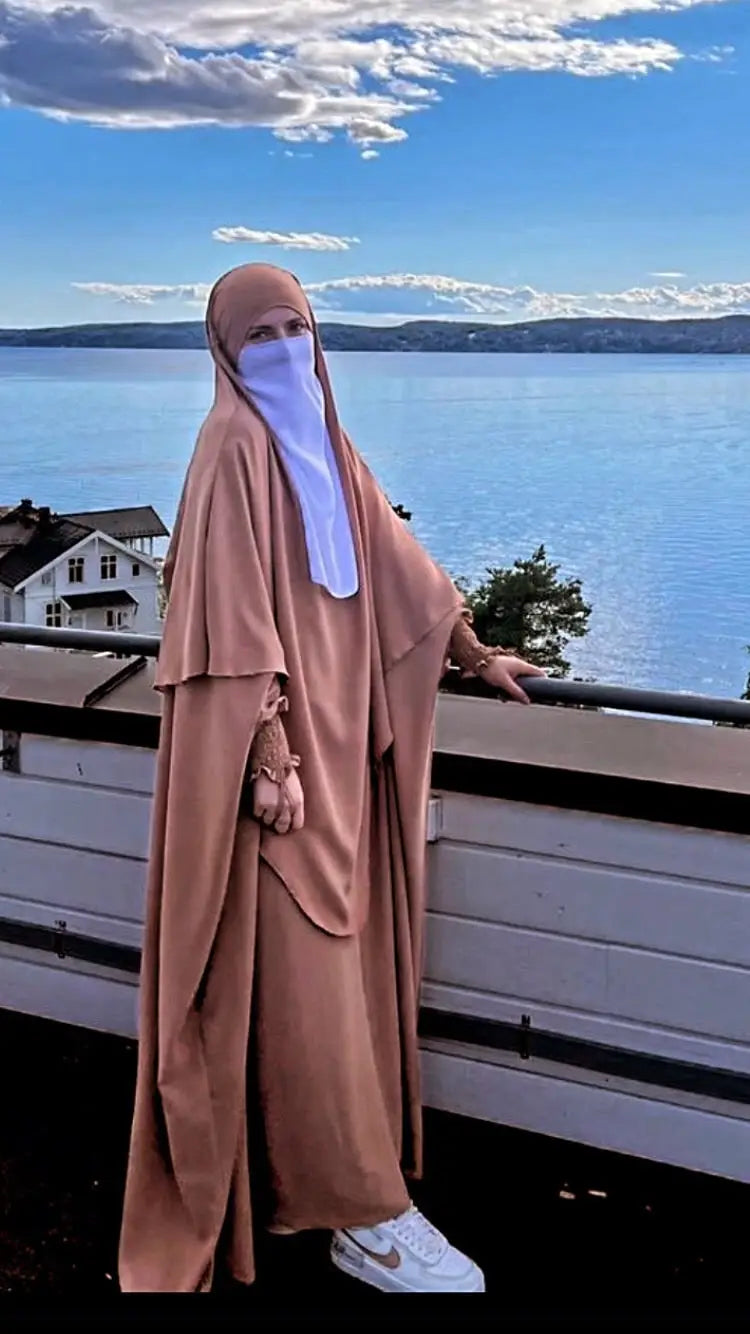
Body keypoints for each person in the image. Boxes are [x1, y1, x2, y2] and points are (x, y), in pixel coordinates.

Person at [117, 263, 544, 1295]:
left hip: (342, 765)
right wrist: (269, 758)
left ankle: (306, 1182)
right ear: (223, 351)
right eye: (256, 334)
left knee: (330, 985)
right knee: (304, 981)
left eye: (294, 328)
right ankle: (364, 1211)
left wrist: (478, 652)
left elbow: (398, 566)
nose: (280, 350)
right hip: (281, 779)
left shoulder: (323, 443)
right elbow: (224, 625)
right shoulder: (231, 449)